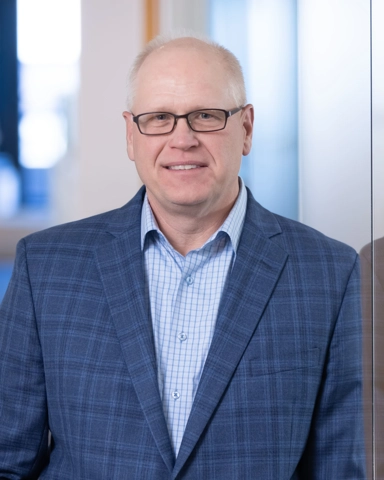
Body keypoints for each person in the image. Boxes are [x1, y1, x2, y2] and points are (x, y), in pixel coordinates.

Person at [0, 33, 365, 479]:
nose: (183, 139)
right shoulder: (47, 266)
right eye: (158, 118)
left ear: (246, 128)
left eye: (206, 116)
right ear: (131, 135)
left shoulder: (329, 272)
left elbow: (337, 467)